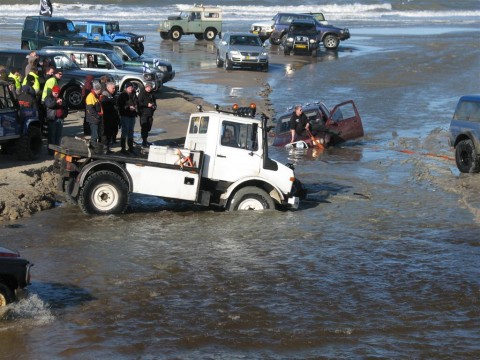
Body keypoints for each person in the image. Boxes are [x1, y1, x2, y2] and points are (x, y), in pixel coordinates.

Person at [44, 85, 68, 154]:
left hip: (60, 118)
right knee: (52, 135)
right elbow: (49, 105)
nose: (56, 94)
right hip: (52, 119)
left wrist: (64, 113)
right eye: (55, 93)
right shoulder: (48, 98)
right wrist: (56, 102)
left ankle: (57, 150)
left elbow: (65, 106)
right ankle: (51, 151)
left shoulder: (60, 97)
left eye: (57, 93)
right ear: (52, 92)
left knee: (58, 135)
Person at [117, 82, 138, 155]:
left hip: (132, 115)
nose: (131, 89)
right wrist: (128, 107)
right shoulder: (122, 95)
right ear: (126, 88)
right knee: (125, 131)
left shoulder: (134, 94)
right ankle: (123, 148)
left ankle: (131, 148)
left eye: (131, 87)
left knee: (131, 131)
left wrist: (135, 107)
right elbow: (120, 106)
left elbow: (136, 103)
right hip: (125, 116)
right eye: (129, 88)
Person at [100, 81, 120, 154]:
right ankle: (104, 150)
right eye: (113, 88)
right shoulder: (105, 96)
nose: (114, 90)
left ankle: (107, 149)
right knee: (105, 135)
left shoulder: (111, 96)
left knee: (110, 134)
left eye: (115, 88)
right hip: (106, 119)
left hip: (111, 118)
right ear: (108, 88)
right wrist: (113, 106)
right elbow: (106, 108)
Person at [137, 82, 157, 148]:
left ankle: (145, 140)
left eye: (150, 87)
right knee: (144, 127)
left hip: (150, 113)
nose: (149, 88)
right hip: (143, 113)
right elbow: (139, 103)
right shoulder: (142, 93)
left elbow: (154, 102)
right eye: (148, 87)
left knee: (149, 127)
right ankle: (144, 141)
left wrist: (154, 107)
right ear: (145, 87)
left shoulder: (152, 94)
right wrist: (147, 105)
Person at [85, 81, 104, 146]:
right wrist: (98, 116)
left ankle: (95, 147)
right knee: (94, 135)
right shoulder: (90, 97)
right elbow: (90, 110)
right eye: (100, 90)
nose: (101, 91)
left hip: (96, 118)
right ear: (97, 89)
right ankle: (93, 147)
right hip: (93, 119)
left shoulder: (95, 96)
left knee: (97, 134)